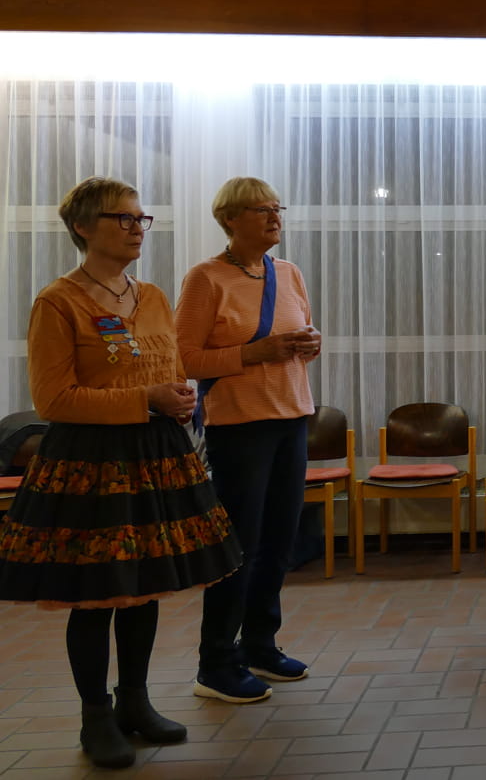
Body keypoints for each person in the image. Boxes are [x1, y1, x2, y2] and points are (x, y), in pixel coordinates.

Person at [0, 177, 241, 769]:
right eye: (123, 218)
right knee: (96, 593)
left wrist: (179, 397)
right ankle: (95, 715)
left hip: (155, 453)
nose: (137, 229)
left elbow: (168, 368)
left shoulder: (152, 296)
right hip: (92, 461)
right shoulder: (59, 301)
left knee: (144, 585)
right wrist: (145, 399)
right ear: (83, 227)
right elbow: (54, 399)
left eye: (140, 219)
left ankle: (136, 701)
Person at [176, 177, 321, 703]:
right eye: (261, 209)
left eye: (277, 208)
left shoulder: (289, 273)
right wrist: (254, 353)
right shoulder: (206, 278)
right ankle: (215, 662)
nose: (274, 217)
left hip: (292, 418)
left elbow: (299, 336)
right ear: (230, 219)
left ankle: (260, 644)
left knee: (280, 541)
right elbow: (185, 359)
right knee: (239, 545)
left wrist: (310, 344)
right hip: (239, 427)